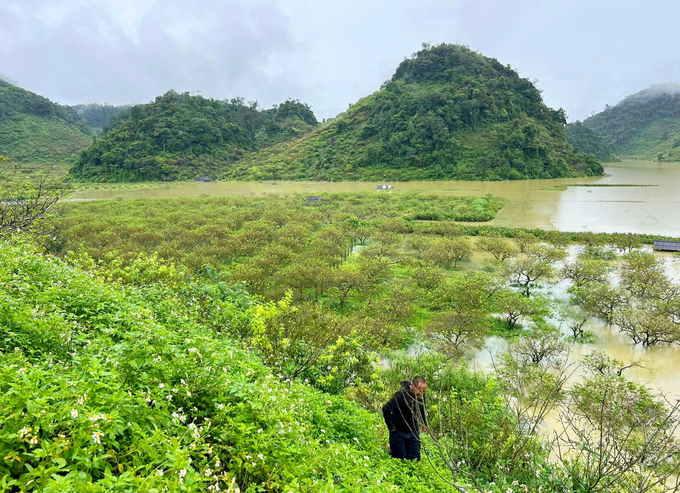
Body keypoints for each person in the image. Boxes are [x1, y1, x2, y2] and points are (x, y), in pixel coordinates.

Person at [382, 376, 427, 460]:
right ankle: (391, 449)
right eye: (419, 391)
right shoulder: (400, 395)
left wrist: (424, 423)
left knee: (415, 459)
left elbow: (422, 409)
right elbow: (386, 409)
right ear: (412, 387)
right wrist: (391, 427)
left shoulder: (421, 396)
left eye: (423, 391)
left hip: (413, 429)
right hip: (398, 429)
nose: (421, 394)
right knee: (399, 458)